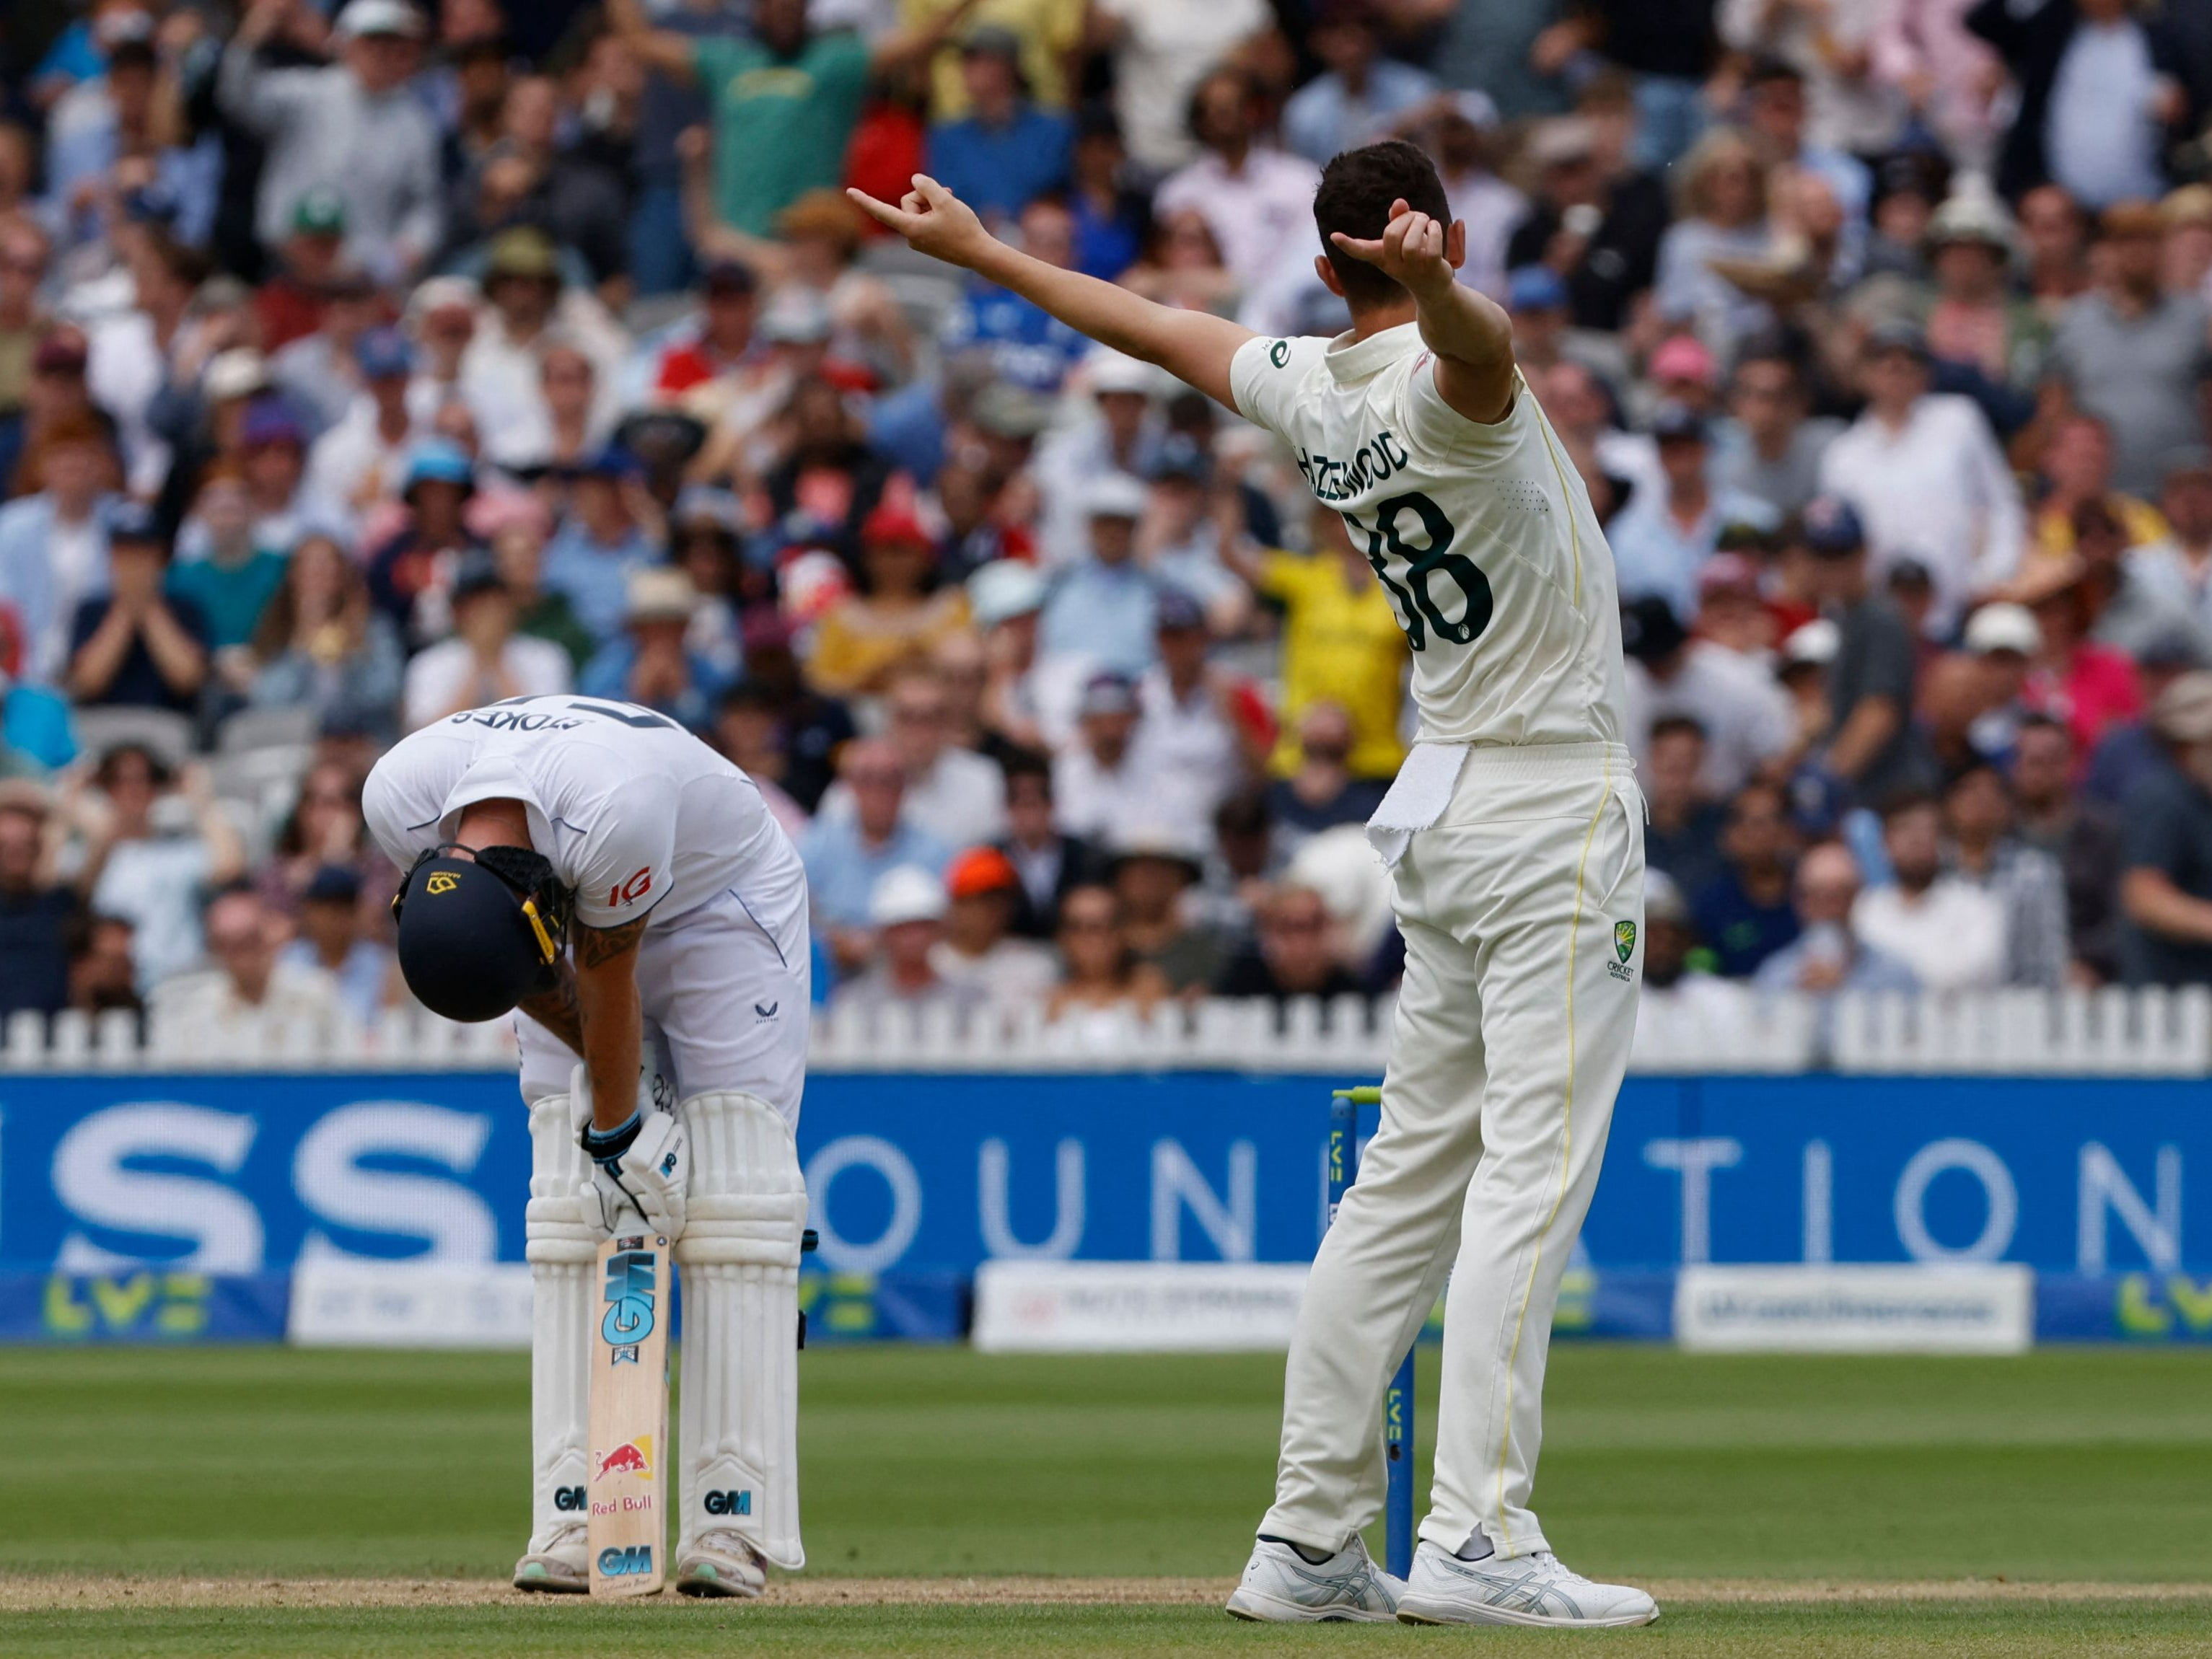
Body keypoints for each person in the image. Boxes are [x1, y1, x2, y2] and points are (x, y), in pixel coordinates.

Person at [851, 135, 1657, 1624]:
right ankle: (1479, 1536)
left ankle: (1307, 1540)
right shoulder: (1445, 380)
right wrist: (1445, 288)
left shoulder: (1309, 385)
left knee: (1409, 1180)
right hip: (1546, 799)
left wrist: (980, 257)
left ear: (1322, 257)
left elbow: (1152, 324)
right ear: (1430, 239)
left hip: (1445, 802)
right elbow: (1478, 353)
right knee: (1525, 1178)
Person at [363, 691, 812, 1598]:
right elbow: (519, 967)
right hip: (576, 906)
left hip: (723, 900)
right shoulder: (396, 797)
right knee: (570, 1197)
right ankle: (573, 1511)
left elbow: (606, 976)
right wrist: (611, 1139)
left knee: (734, 1197)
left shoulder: (614, 812)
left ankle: (733, 1520)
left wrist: (625, 1131)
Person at [219, 0, 444, 281]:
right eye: (372, 42)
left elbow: (424, 205)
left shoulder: (415, 122)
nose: (381, 53)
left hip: (367, 278)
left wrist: (407, 251)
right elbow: (237, 99)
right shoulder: (307, 92)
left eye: (392, 44)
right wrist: (251, 37)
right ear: (346, 44)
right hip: (290, 266)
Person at [799, 737, 952, 975]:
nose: (879, 791)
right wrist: (829, 941)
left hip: (907, 974)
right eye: (867, 780)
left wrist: (881, 943)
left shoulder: (935, 851)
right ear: (849, 785)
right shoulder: (817, 843)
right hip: (830, 974)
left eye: (891, 780)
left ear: (905, 786)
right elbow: (794, 915)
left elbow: (947, 926)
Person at [1851, 789, 2009, 991]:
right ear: (1884, 844)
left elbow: (1979, 971)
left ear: (1943, 841)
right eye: (1904, 829)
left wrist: (1888, 976)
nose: (1916, 839)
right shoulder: (1865, 909)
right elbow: (1854, 977)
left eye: (1926, 829)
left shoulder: (1976, 905)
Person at [149, 883, 346, 1042]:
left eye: (250, 941)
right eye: (229, 946)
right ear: (216, 950)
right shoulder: (196, 1013)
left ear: (268, 938)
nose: (243, 956)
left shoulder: (317, 994)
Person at [402, 550, 572, 731]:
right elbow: (423, 736)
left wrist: (497, 663)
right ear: (457, 612)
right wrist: (479, 663)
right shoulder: (429, 664)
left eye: (495, 604)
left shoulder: (546, 657)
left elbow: (551, 730)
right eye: (476, 606)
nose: (488, 614)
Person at [66, 501, 209, 714]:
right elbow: (88, 683)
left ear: (161, 557)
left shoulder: (186, 608)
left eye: (143, 554)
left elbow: (188, 679)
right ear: (112, 558)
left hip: (169, 725)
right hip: (103, 724)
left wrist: (150, 608)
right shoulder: (91, 609)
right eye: (125, 554)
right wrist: (124, 611)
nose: (134, 564)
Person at [2115, 671, 2212, 985]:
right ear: (2183, 746)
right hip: (2171, 993)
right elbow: (2145, 895)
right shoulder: (2164, 800)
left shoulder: (2201, 799)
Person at [1752, 840, 1919, 997]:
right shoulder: (1775, 976)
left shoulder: (1896, 975)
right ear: (1799, 901)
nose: (1828, 907)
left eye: (1839, 895)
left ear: (1857, 897)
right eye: (1816, 894)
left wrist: (1844, 989)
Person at [830, 863, 988, 1018]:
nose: (913, 937)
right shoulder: (854, 1003)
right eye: (902, 928)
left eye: (922, 926)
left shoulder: (970, 1001)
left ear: (938, 930)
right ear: (883, 934)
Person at [931, 845, 1057, 1002]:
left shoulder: (1035, 965)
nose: (993, 910)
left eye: (1002, 899)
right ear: (956, 905)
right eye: (982, 900)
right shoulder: (932, 964)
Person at [1212, 881, 1364, 1003]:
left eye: (1313, 926)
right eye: (1288, 928)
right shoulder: (1239, 985)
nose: (1302, 941)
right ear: (1267, 932)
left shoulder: (1355, 993)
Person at [0, 780, 72, 1018]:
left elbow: (100, 830)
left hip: (52, 1042)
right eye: (5, 846)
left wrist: (54, 808)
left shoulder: (61, 903)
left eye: (25, 844)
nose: (14, 854)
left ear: (40, 845)